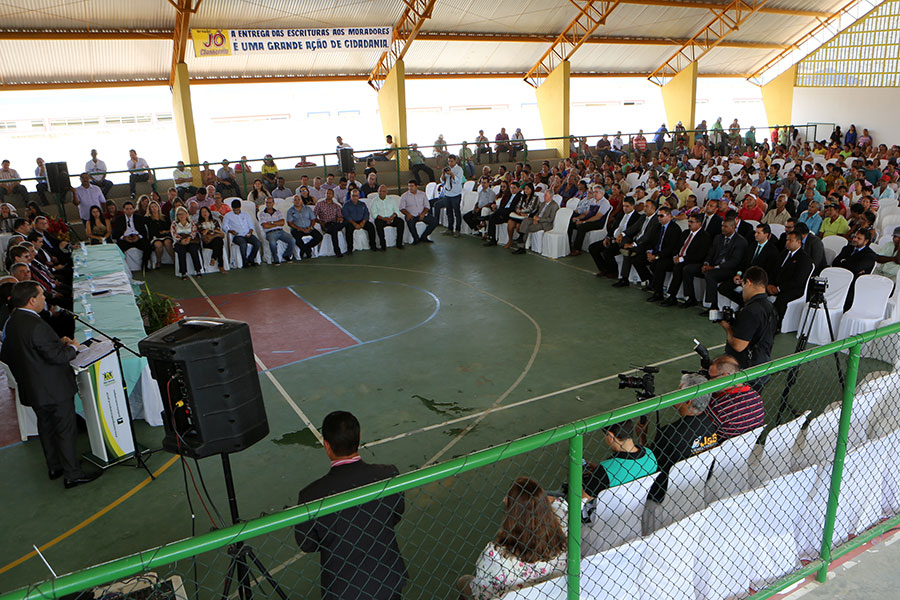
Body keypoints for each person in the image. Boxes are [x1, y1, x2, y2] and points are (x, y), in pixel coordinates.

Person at [294, 411, 407, 600]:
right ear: (359, 437)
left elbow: (307, 544)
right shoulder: (388, 475)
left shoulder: (311, 495)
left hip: (343, 589)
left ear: (327, 445)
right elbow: (396, 514)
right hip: (387, 579)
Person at [1, 281, 100, 488]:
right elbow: (57, 357)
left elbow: (8, 354)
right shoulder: (36, 325)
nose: (44, 299)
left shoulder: (12, 322)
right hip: (54, 388)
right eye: (41, 296)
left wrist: (47, 352)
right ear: (32, 300)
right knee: (65, 430)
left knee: (46, 428)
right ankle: (73, 474)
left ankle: (55, 466)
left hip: (33, 388)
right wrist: (73, 347)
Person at [457, 477, 567, 600]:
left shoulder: (495, 555)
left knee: (463, 581)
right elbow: (561, 504)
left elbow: (483, 595)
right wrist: (537, 500)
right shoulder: (564, 527)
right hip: (554, 595)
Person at [639, 373, 719, 514]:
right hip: (696, 488)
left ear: (688, 400)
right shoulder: (710, 425)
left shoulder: (669, 433)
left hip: (663, 495)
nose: (675, 392)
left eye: (679, 390)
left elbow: (649, 466)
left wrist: (642, 437)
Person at [720, 265, 778, 385]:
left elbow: (738, 345)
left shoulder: (751, 310)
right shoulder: (771, 307)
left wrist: (727, 327)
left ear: (749, 283)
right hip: (762, 366)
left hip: (745, 372)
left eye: (743, 285)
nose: (743, 291)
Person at [582, 420, 657, 498]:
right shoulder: (650, 454)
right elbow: (625, 471)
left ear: (610, 436)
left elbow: (582, 499)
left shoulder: (605, 470)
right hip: (639, 502)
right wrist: (598, 471)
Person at [705, 355, 765, 439]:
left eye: (711, 377)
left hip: (721, 445)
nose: (708, 381)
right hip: (750, 443)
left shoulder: (717, 407)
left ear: (725, 377)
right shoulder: (755, 396)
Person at [637, 207, 682, 301]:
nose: (659, 218)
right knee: (637, 258)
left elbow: (671, 248)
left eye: (661, 216)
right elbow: (650, 241)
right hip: (656, 252)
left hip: (667, 256)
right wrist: (649, 252)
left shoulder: (675, 229)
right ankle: (651, 281)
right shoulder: (657, 226)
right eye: (658, 216)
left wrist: (657, 256)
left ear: (669, 216)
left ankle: (658, 292)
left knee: (659, 265)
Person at [833, 229, 878, 309]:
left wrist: (843, 261)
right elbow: (835, 263)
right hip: (839, 278)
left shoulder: (870, 255)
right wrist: (849, 264)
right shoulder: (847, 248)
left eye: (859, 238)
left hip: (853, 285)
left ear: (866, 241)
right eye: (854, 237)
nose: (855, 239)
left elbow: (856, 268)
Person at [512, 189, 559, 254]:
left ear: (551, 196)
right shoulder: (543, 203)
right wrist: (535, 218)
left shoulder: (554, 205)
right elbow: (538, 213)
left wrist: (539, 219)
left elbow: (550, 219)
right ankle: (521, 238)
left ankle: (521, 245)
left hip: (544, 224)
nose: (544, 196)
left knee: (527, 227)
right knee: (525, 221)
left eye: (546, 195)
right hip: (537, 219)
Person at [112, 200, 150, 270]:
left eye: (130, 209)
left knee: (147, 246)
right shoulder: (119, 219)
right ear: (124, 210)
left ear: (133, 209)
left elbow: (144, 231)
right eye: (127, 209)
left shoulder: (139, 218)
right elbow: (115, 233)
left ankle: (144, 265)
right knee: (118, 248)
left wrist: (138, 237)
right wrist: (124, 237)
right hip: (125, 239)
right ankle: (122, 267)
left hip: (136, 237)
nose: (129, 211)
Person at [258, 197, 296, 264]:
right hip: (270, 233)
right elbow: (265, 226)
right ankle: (275, 258)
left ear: (273, 203)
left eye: (270, 202)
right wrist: (277, 223)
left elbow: (282, 222)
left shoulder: (278, 212)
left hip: (281, 231)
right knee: (272, 243)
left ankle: (286, 255)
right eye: (267, 203)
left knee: (293, 240)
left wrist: (271, 223)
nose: (268, 204)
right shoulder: (262, 214)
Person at [222, 200, 260, 267]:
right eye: (234, 210)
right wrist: (230, 231)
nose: (236, 211)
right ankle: (244, 262)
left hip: (247, 234)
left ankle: (251, 259)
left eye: (237, 210)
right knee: (243, 244)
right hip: (237, 235)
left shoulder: (246, 214)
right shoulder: (228, 216)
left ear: (240, 207)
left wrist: (250, 232)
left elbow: (251, 226)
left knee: (257, 243)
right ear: (232, 208)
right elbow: (224, 227)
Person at [434, 156, 465, 237]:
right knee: (449, 212)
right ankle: (450, 229)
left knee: (457, 213)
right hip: (447, 194)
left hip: (456, 194)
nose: (450, 163)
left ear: (455, 161)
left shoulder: (459, 170)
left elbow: (457, 181)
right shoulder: (447, 169)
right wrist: (443, 173)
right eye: (449, 161)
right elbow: (442, 180)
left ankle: (457, 230)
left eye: (451, 161)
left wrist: (451, 174)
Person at [171, 206, 202, 279]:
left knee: (193, 250)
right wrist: (181, 240)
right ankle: (183, 272)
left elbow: (194, 231)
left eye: (182, 214)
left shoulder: (191, 223)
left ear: (186, 214)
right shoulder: (174, 224)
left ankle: (198, 270)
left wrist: (189, 238)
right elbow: (174, 233)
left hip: (190, 240)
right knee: (181, 251)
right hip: (179, 242)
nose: (181, 216)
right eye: (179, 214)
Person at [370, 186, 405, 251]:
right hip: (381, 219)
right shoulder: (374, 201)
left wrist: (392, 217)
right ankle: (383, 245)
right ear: (377, 191)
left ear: (386, 192)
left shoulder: (391, 200)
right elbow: (374, 214)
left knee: (401, 222)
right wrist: (384, 219)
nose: (381, 193)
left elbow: (396, 210)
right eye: (380, 191)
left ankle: (399, 243)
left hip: (391, 218)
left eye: (383, 191)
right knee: (377, 223)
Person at [342, 189, 377, 254]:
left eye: (356, 196)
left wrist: (363, 222)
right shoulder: (346, 205)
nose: (354, 197)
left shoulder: (362, 204)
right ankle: (350, 249)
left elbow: (366, 213)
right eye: (353, 195)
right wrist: (355, 224)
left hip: (361, 221)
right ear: (350, 196)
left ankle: (373, 246)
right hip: (351, 222)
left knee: (371, 226)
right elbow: (346, 215)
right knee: (349, 230)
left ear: (359, 196)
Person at [197, 206, 226, 273]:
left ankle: (213, 258)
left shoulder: (215, 221)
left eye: (206, 212)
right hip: (207, 242)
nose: (204, 213)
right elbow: (203, 233)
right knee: (219, 242)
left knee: (218, 241)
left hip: (215, 240)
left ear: (209, 213)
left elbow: (218, 231)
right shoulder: (199, 223)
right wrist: (209, 230)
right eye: (202, 212)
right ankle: (221, 265)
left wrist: (211, 234)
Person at [146, 201, 174, 266]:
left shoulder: (165, 217)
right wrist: (147, 213)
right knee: (158, 245)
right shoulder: (148, 219)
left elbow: (170, 228)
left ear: (158, 207)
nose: (154, 208)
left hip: (165, 235)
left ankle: (174, 260)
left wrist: (165, 231)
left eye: (155, 206)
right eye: (152, 207)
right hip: (155, 237)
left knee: (168, 242)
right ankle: (159, 261)